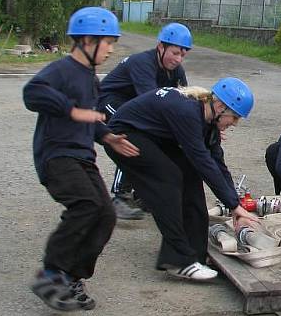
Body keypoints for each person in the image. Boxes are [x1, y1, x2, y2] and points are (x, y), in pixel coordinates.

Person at [23, 6, 139, 311]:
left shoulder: (90, 78)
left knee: (106, 214)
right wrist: (70, 110)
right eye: (108, 42)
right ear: (87, 40)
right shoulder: (61, 70)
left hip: (82, 157)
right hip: (57, 155)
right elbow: (32, 93)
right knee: (86, 205)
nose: (111, 50)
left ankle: (73, 275)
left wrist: (106, 135)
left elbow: (90, 118)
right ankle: (50, 273)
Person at [105, 78, 257, 281]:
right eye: (235, 117)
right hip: (124, 137)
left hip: (152, 137)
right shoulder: (187, 112)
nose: (235, 124)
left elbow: (218, 164)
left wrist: (235, 205)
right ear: (220, 106)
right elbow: (203, 162)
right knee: (168, 179)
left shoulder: (207, 120)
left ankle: (196, 255)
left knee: (190, 175)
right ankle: (179, 261)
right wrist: (234, 206)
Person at [98, 22, 192, 220]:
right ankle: (120, 196)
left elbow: (185, 101)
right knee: (133, 136)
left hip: (135, 106)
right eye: (174, 53)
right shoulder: (142, 63)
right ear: (161, 47)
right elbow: (153, 102)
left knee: (157, 140)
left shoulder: (177, 71)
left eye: (183, 55)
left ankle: (143, 194)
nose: (178, 59)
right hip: (109, 101)